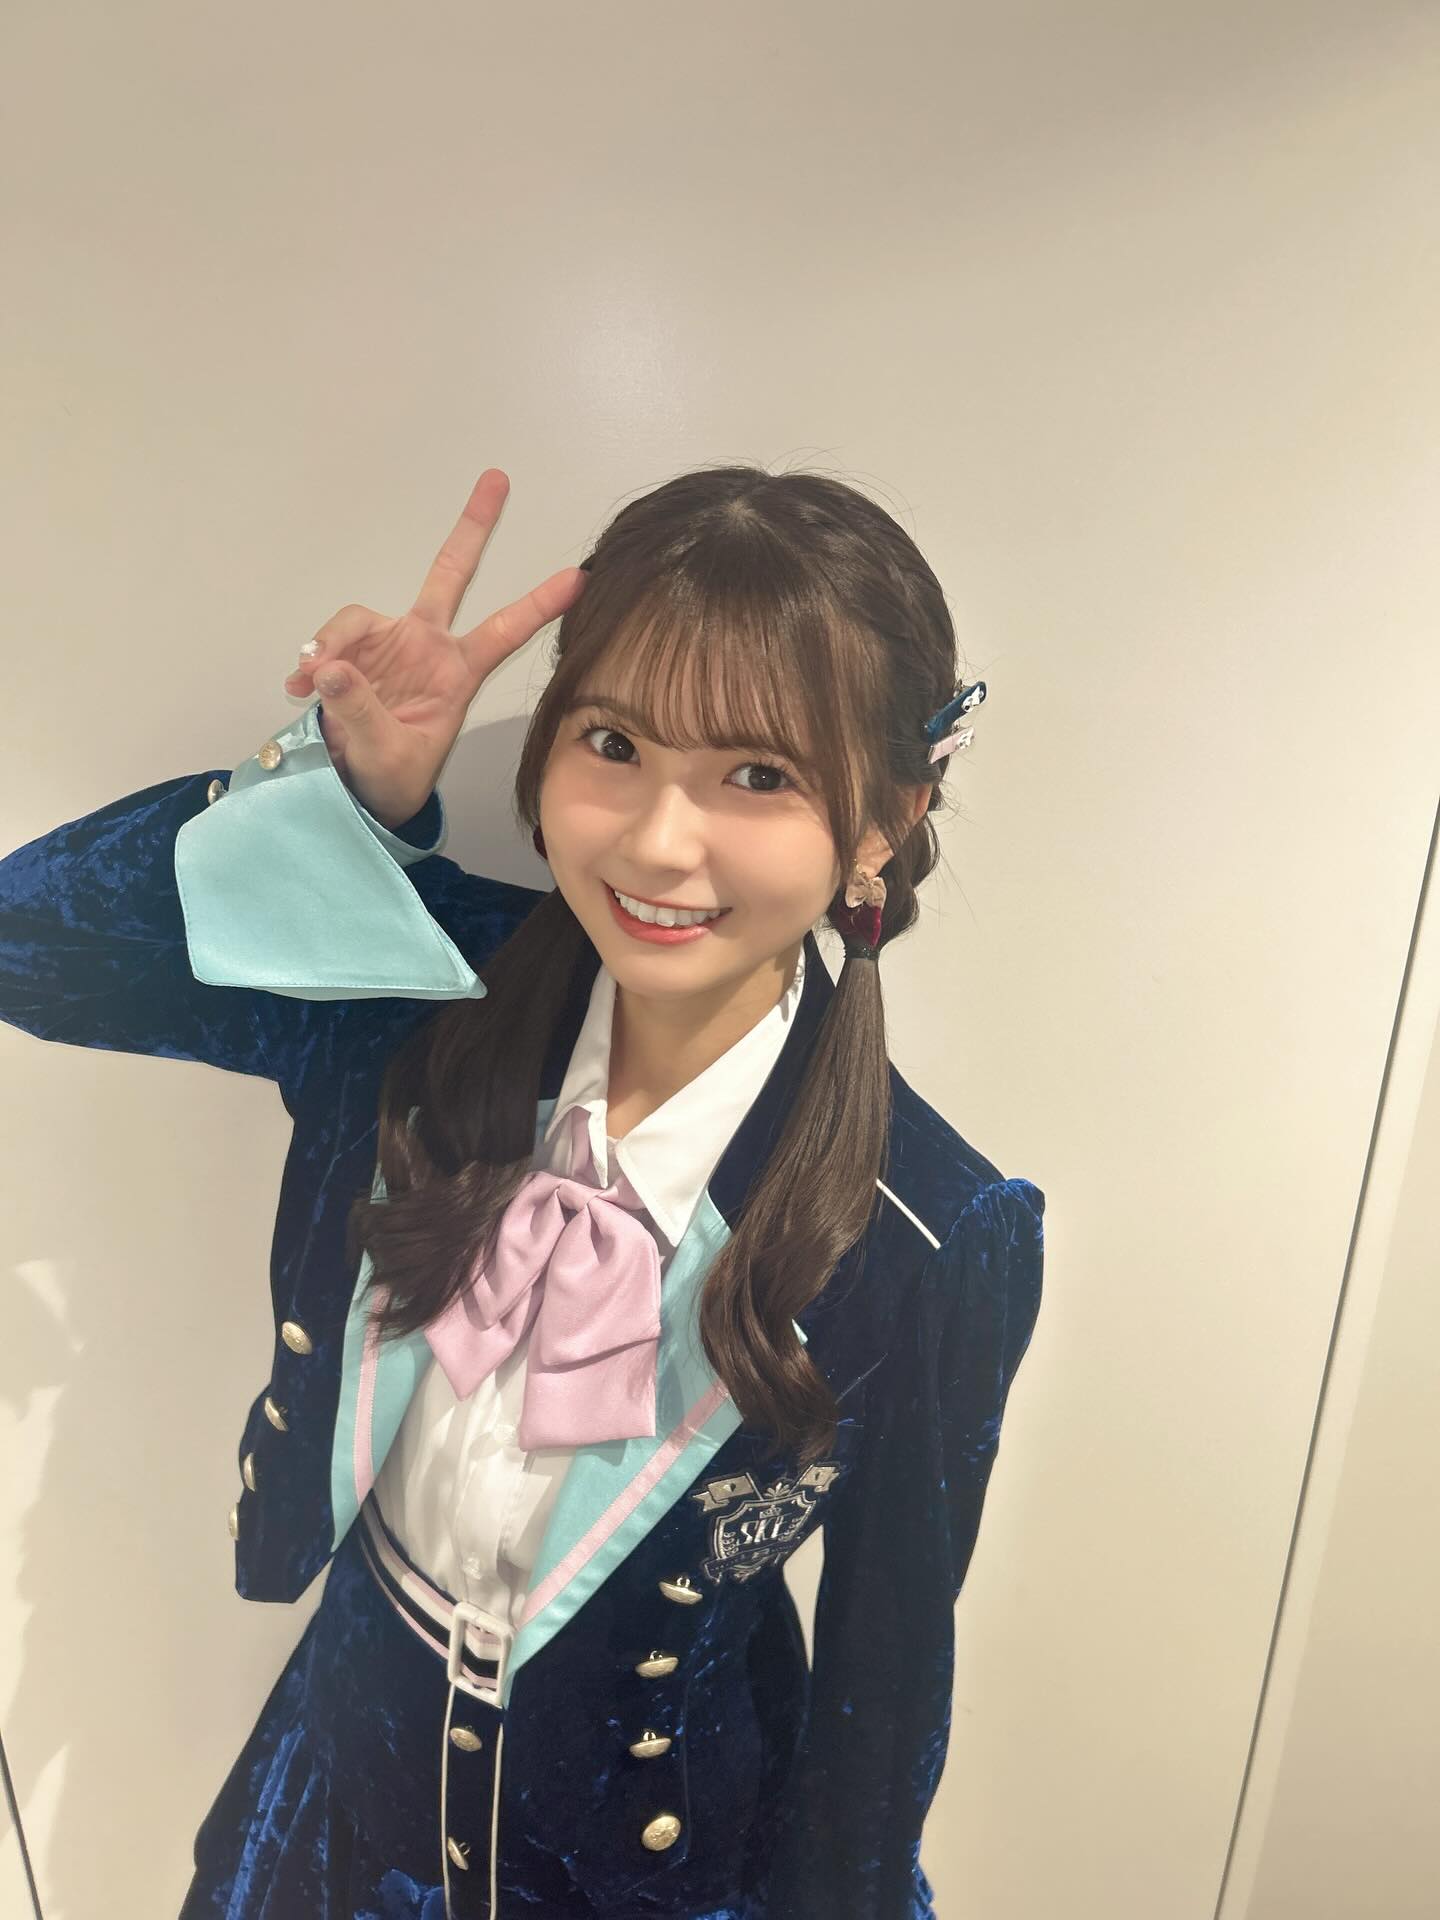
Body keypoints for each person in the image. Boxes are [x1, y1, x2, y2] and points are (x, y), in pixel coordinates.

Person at [0, 464, 1046, 1920]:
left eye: (758, 775)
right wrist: (343, 790)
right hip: (326, 1826)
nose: (658, 841)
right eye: (614, 743)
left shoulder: (932, 1232)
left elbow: (883, 1707)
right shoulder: (417, 990)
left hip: (660, 1878)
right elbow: (32, 946)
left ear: (885, 818)